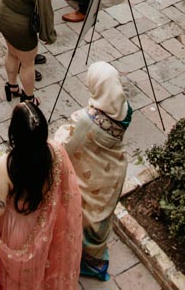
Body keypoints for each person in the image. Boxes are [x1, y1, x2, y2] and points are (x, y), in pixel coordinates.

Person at [0, 102, 81, 290]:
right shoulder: (55, 152)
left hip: (15, 231)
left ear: (15, 133)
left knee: (12, 277)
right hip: (43, 221)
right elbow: (67, 191)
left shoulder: (5, 166)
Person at [55, 62, 132, 281]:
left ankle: (83, 261)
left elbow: (65, 144)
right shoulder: (125, 110)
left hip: (88, 174)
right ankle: (97, 260)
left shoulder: (86, 120)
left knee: (84, 215)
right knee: (101, 215)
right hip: (113, 170)